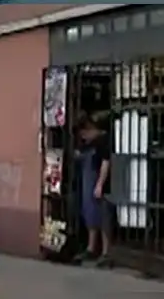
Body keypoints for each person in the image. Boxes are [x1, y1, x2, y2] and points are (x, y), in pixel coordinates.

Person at [76, 114, 112, 266]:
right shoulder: (88, 144)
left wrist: (99, 184)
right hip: (88, 184)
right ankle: (91, 248)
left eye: (84, 134)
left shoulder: (103, 141)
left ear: (90, 129)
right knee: (90, 214)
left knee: (104, 218)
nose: (83, 138)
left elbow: (106, 163)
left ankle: (106, 252)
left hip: (100, 184)